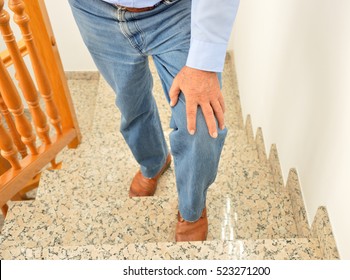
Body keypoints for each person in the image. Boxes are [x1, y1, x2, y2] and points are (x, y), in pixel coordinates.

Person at [68, 0, 239, 241]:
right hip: (95, 12)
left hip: (176, 11)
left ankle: (192, 209)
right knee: (131, 104)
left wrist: (203, 63)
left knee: (200, 124)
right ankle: (154, 163)